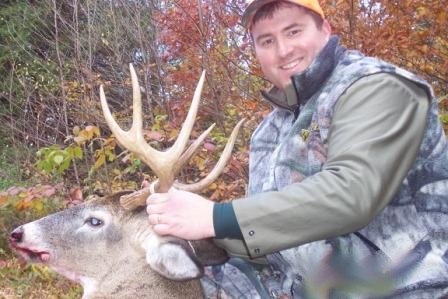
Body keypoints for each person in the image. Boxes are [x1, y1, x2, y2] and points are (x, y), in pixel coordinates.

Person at [146, 0, 448, 298]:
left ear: (325, 30)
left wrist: (216, 217)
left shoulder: (378, 88)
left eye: (293, 32)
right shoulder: (271, 130)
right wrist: (196, 231)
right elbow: (273, 232)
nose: (283, 50)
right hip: (303, 286)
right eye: (267, 40)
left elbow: (351, 194)